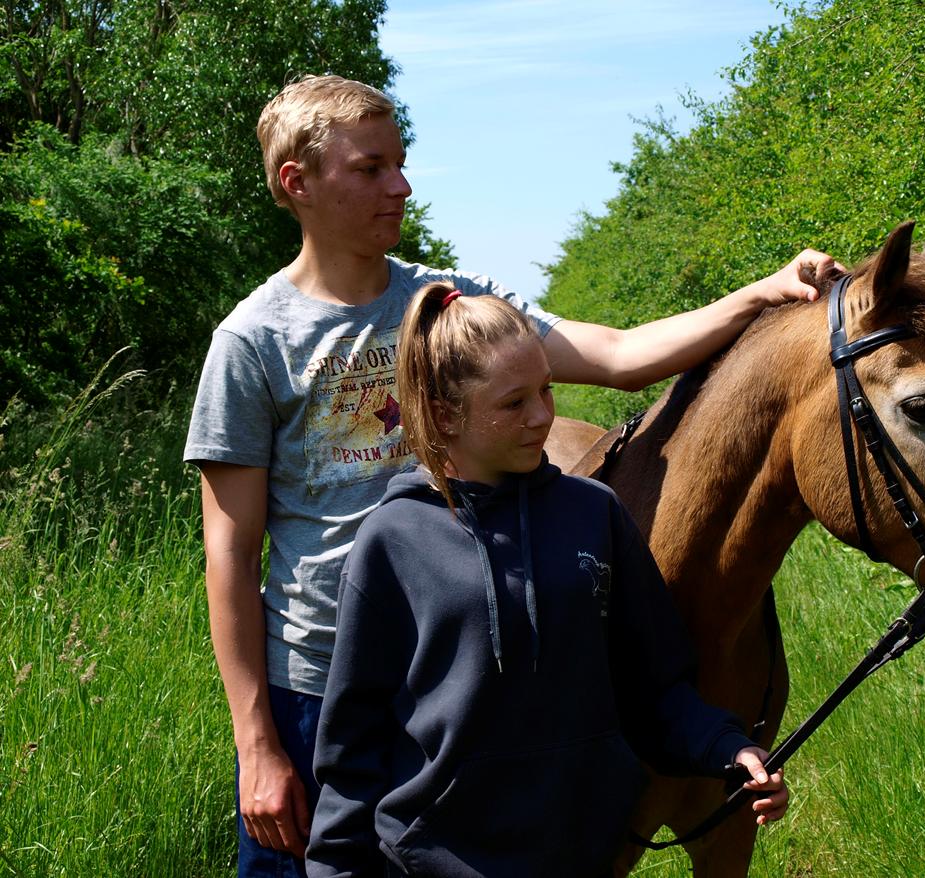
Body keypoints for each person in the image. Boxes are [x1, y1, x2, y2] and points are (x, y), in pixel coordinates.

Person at [184, 73, 838, 877]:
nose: (401, 183)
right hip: (319, 691)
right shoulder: (253, 343)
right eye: (371, 167)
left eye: (401, 161)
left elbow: (620, 356)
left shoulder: (450, 303)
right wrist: (258, 743)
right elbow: (230, 551)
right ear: (298, 181)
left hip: (461, 686)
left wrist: (762, 295)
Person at [306, 283, 787, 878]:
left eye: (546, 389)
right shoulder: (393, 540)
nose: (542, 416)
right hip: (430, 863)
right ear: (442, 412)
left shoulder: (595, 513)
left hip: (583, 861)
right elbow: (352, 749)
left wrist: (728, 749)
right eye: (514, 403)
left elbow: (654, 688)